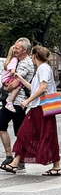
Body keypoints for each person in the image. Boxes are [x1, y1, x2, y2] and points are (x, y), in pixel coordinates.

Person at [0, 45, 61, 175]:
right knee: (44, 135)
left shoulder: (43, 68)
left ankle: (15, 163)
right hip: (39, 108)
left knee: (25, 134)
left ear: (34, 55)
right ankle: (17, 163)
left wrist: (27, 101)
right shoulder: (42, 68)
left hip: (40, 108)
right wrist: (21, 79)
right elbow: (34, 88)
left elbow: (43, 88)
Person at [0, 38, 34, 167]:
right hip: (10, 101)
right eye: (14, 47)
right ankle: (9, 156)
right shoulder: (17, 62)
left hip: (19, 102)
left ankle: (20, 159)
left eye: (17, 48)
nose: (14, 50)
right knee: (1, 125)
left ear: (24, 50)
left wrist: (6, 87)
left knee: (19, 132)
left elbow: (14, 84)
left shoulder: (26, 63)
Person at [1, 46, 22, 113]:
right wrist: (16, 75)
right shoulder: (15, 59)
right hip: (7, 79)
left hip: (4, 79)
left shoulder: (9, 60)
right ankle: (10, 102)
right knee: (19, 85)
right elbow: (12, 71)